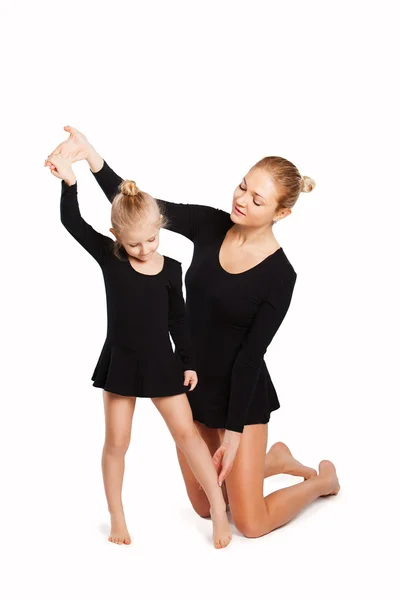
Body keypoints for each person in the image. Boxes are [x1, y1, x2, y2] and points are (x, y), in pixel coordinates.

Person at [46, 126, 340, 539]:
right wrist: (91, 157)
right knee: (204, 507)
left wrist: (234, 436)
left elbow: (251, 358)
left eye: (257, 199)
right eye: (242, 186)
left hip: (241, 394)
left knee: (250, 524)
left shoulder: (280, 276)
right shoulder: (209, 223)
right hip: (193, 383)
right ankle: (271, 461)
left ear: (281, 213)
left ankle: (321, 481)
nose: (241, 200)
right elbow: (140, 207)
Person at [46, 152, 232, 549]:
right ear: (115, 236)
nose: (146, 249)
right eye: (134, 243)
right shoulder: (110, 257)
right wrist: (69, 182)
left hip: (162, 364)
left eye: (152, 239)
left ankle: (217, 505)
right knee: (116, 442)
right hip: (122, 364)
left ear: (160, 228)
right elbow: (72, 222)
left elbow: (178, 320)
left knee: (187, 435)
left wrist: (189, 362)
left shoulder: (171, 269)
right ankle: (117, 512)